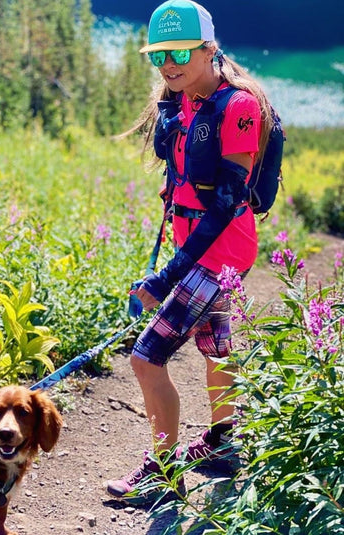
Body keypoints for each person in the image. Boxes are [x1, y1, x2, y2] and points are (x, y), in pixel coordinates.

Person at [106, 0, 275, 505]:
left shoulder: (239, 106)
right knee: (214, 345)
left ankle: (161, 472)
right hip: (197, 243)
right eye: (158, 54)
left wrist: (165, 277)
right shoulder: (181, 100)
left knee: (146, 357)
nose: (168, 63)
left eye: (180, 51)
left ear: (208, 48)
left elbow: (226, 203)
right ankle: (223, 445)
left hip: (221, 250)